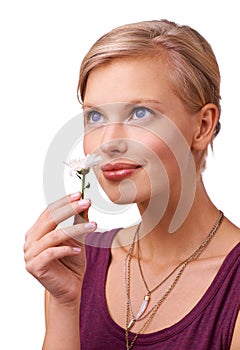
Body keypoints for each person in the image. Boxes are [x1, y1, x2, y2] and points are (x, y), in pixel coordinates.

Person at [24, 19, 240, 349]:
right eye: (95, 117)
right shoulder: (80, 266)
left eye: (139, 113)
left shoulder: (233, 286)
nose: (108, 142)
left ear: (203, 126)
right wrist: (66, 305)